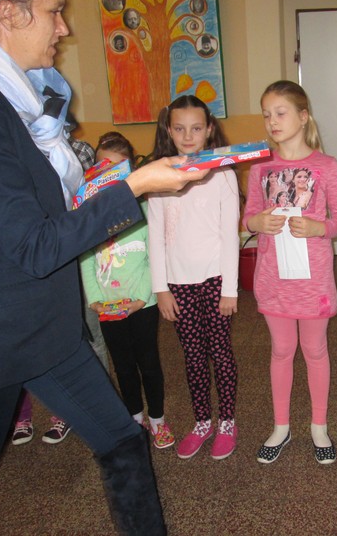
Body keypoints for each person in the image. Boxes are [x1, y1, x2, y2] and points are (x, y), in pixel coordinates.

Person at [0, 0, 208, 533]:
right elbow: (36, 244)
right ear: (9, 13)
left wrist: (126, 181)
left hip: (43, 328)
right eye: (54, 11)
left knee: (123, 442)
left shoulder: (24, 101)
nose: (64, 27)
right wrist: (136, 187)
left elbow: (51, 204)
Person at [244, 80, 337, 465]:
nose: (272, 121)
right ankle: (281, 427)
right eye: (267, 115)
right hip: (274, 277)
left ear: (303, 117)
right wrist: (257, 222)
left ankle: (319, 427)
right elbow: (248, 216)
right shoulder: (260, 168)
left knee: (315, 350)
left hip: (313, 278)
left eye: (280, 113)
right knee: (281, 350)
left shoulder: (326, 166)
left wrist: (320, 227)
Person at [148, 95, 240, 460]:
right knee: (193, 355)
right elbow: (155, 235)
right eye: (180, 128)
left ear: (209, 129)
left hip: (216, 279)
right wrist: (160, 288)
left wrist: (230, 289)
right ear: (169, 131)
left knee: (220, 351)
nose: (188, 136)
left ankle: (227, 422)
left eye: (196, 128)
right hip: (178, 284)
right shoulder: (159, 175)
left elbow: (230, 235)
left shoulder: (223, 174)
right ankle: (203, 422)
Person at [11, 124, 112, 447]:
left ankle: (97, 406)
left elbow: (87, 202)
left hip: (74, 254)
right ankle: (48, 412)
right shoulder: (14, 153)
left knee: (89, 334)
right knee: (40, 339)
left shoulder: (79, 151)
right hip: (35, 258)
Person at [81, 132, 173, 450]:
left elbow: (154, 256)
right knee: (122, 366)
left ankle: (158, 420)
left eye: (115, 168)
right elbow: (86, 259)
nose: (107, 175)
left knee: (148, 363)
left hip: (142, 304)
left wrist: (142, 297)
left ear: (129, 171)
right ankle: (134, 419)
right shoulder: (90, 213)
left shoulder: (142, 209)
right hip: (107, 306)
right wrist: (94, 298)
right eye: (101, 167)